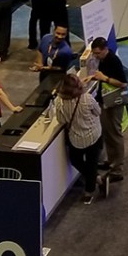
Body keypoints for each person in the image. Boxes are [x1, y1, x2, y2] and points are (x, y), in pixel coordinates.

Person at [51, 74, 107, 204]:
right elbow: (98, 112)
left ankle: (94, 181)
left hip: (75, 138)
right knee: (92, 163)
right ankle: (91, 188)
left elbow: (61, 120)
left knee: (75, 160)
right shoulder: (87, 98)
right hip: (93, 135)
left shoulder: (59, 102)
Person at [86, 37, 128, 184]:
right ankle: (111, 161)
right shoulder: (103, 60)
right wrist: (93, 77)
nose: (96, 56)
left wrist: (104, 78)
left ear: (105, 49)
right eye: (94, 53)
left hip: (114, 103)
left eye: (98, 53)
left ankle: (117, 169)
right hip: (105, 101)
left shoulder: (113, 60)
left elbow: (122, 83)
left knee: (115, 134)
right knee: (107, 132)